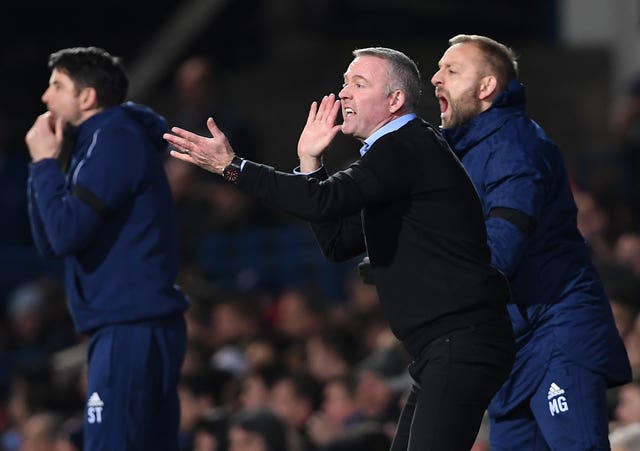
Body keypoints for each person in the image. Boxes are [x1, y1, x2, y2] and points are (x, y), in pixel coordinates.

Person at [165, 46, 516, 451]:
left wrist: (233, 167)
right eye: (345, 82)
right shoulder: (394, 156)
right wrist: (310, 162)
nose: (344, 93)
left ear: (395, 100)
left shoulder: (404, 146)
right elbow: (338, 242)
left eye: (359, 84)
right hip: (442, 349)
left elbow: (321, 201)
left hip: (461, 341)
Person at [430, 34, 632, 450]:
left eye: (452, 70)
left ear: (486, 87)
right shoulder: (462, 154)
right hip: (513, 344)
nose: (435, 78)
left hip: (554, 330)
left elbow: (501, 248)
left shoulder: (514, 144)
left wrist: (438, 279)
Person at [25, 46, 189, 450]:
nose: (45, 97)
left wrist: (45, 166)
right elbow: (51, 241)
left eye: (57, 86)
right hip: (133, 324)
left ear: (87, 96)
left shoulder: (112, 138)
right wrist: (43, 165)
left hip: (129, 325)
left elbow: (64, 234)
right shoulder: (99, 141)